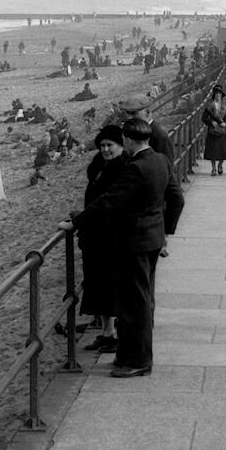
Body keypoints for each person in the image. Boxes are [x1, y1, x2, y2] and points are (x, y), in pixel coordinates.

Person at [58, 118, 184, 378]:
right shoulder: (160, 160)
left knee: (135, 305)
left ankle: (139, 362)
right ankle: (126, 355)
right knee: (140, 301)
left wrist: (78, 221)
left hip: (134, 244)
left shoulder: (135, 167)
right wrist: (164, 231)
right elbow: (177, 199)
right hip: (151, 241)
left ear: (127, 140)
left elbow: (109, 201)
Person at [76, 125, 127, 351]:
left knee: (111, 285)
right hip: (95, 236)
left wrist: (81, 219)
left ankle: (114, 335)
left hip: (111, 236)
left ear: (121, 146)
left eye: (110, 145)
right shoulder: (99, 164)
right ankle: (107, 332)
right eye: (103, 145)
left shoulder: (123, 168)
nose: (105, 149)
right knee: (98, 284)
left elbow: (109, 202)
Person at [201, 84, 226, 176]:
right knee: (213, 151)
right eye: (216, 94)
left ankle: (220, 165)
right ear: (214, 95)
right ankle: (213, 168)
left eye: (219, 94)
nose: (218, 96)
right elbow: (204, 118)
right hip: (213, 131)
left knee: (223, 150)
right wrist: (212, 122)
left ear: (222, 95)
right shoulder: (210, 105)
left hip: (223, 130)